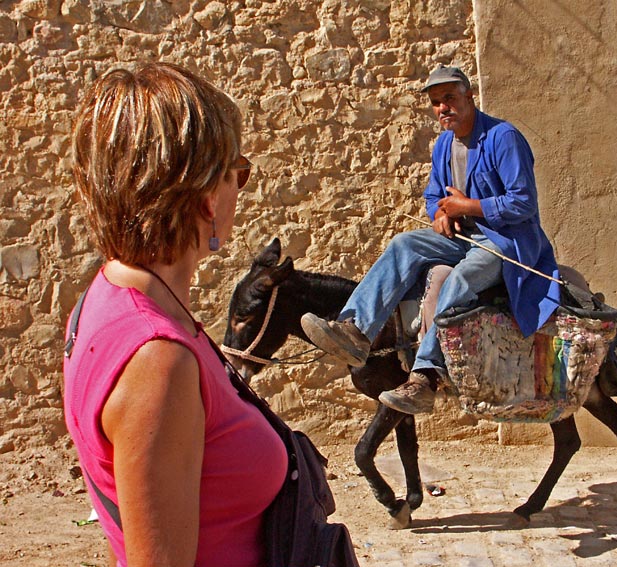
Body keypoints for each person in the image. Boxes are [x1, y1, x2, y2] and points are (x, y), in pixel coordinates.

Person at [63, 62, 288, 567]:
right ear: (208, 197)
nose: (240, 190)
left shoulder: (106, 295)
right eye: (239, 173)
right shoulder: (157, 363)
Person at [301, 66, 561, 415]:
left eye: (450, 99)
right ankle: (356, 331)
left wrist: (468, 206)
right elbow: (433, 196)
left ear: (469, 97)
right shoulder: (443, 145)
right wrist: (439, 216)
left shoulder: (503, 137)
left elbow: (523, 202)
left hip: (505, 243)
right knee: (403, 245)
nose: (443, 108)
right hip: (463, 237)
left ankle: (425, 375)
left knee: (459, 280)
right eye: (437, 103)